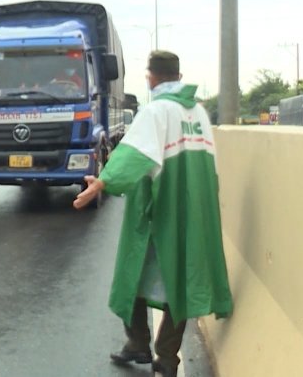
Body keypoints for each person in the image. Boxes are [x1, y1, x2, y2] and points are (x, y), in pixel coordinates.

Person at [72, 50, 233, 377]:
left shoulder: (156, 111)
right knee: (182, 276)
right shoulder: (199, 113)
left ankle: (141, 343)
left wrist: (102, 182)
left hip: (157, 208)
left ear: (152, 77)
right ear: (178, 75)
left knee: (132, 272)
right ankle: (163, 355)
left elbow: (134, 156)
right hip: (194, 209)